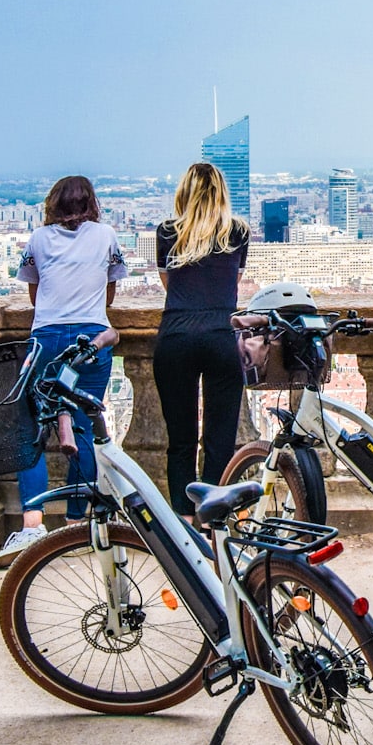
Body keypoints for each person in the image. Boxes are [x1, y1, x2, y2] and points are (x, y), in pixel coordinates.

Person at [0, 175, 128, 570]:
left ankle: (33, 524)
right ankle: (76, 521)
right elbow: (110, 287)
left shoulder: (38, 239)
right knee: (83, 426)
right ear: (92, 203)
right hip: (91, 336)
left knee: (31, 426)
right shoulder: (107, 236)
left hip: (47, 338)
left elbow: (33, 291)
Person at [153, 161, 251, 515]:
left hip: (176, 334)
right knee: (218, 438)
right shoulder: (238, 232)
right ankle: (213, 518)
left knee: (180, 440)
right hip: (222, 335)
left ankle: (182, 514)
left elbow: (170, 285)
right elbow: (232, 285)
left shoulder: (167, 232)